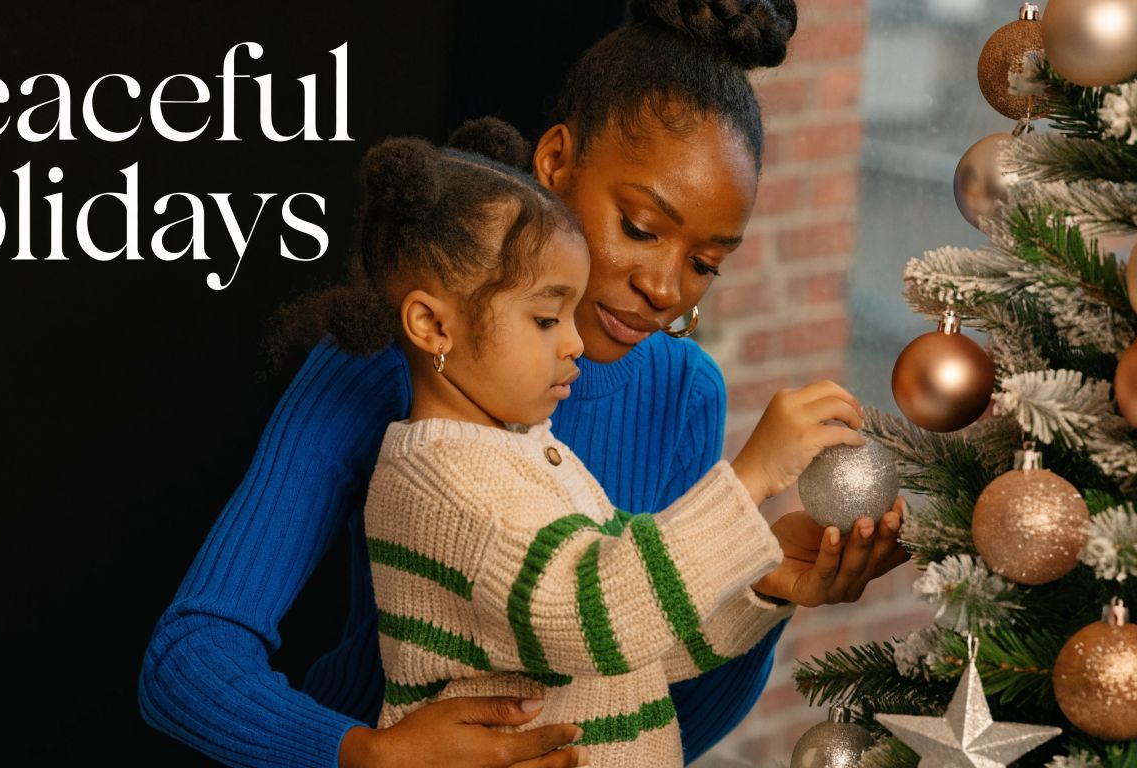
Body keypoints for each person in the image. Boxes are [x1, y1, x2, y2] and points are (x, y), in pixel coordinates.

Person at [139, 2, 910, 766]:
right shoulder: (390, 356)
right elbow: (189, 658)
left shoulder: (683, 391)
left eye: (706, 261)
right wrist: (368, 756)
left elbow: (658, 704)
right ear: (555, 162)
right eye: (641, 228)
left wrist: (766, 586)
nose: (667, 287)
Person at [325, 128, 866, 768]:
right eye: (548, 319)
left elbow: (636, 648)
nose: (575, 342)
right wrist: (747, 479)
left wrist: (764, 579)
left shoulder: (528, 455)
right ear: (433, 325)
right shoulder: (443, 481)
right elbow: (597, 616)